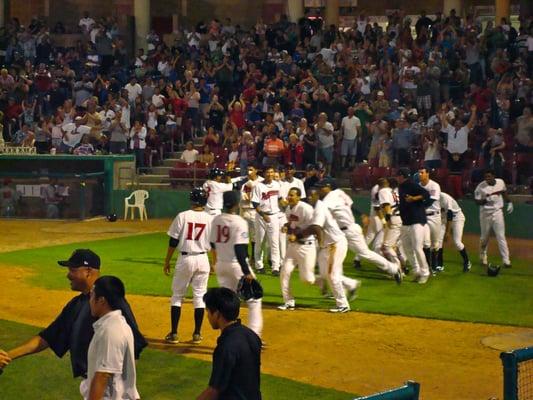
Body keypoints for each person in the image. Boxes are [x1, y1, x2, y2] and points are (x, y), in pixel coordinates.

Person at [0, 249, 146, 382]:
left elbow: (134, 344)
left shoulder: (108, 301)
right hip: (93, 383)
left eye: (73, 270)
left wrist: (123, 385)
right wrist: (8, 356)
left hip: (109, 386)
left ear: (88, 271)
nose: (68, 275)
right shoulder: (76, 305)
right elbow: (46, 338)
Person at [318, 178, 402, 283]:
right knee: (333, 256)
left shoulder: (330, 198)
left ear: (329, 187)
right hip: (342, 231)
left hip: (348, 231)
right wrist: (361, 214)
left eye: (322, 187)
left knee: (364, 253)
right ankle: (343, 285)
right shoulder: (340, 193)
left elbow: (322, 215)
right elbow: (351, 205)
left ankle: (393, 268)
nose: (320, 189)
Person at [294, 187, 358, 313]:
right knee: (324, 274)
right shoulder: (314, 208)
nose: (309, 197)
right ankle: (351, 285)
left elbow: (316, 228)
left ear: (318, 196)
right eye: (308, 195)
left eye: (312, 195)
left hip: (335, 244)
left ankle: (343, 304)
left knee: (332, 275)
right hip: (327, 247)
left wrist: (299, 236)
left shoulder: (320, 207)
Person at [163, 187, 213, 344]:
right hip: (203, 259)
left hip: (185, 259)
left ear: (191, 200)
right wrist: (214, 262)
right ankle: (197, 334)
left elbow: (173, 241)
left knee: (177, 296)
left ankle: (174, 334)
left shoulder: (183, 216)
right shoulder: (211, 218)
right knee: (199, 296)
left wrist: (167, 260)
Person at [210, 191, 263, 337]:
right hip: (236, 266)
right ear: (237, 203)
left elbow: (212, 243)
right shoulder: (239, 222)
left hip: (221, 265)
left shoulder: (217, 219)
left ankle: (226, 335)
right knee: (254, 301)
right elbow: (239, 250)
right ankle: (254, 335)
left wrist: (215, 262)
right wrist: (246, 272)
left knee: (227, 302)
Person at [196, 287, 261, 400]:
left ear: (217, 313)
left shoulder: (226, 346)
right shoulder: (251, 335)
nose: (207, 316)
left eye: (208, 311)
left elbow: (213, 391)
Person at [84, 276, 139, 400]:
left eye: (92, 296)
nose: (90, 301)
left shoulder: (112, 330)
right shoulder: (114, 325)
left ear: (101, 300)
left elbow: (103, 376)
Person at [278, 187, 316, 310]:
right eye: (288, 195)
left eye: (292, 195)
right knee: (284, 272)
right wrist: (285, 227)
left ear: (299, 197)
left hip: (307, 246)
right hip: (292, 247)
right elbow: (292, 224)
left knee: (307, 279)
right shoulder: (289, 209)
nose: (289, 197)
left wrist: (297, 235)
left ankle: (322, 281)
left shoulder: (306, 209)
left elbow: (313, 228)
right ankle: (288, 301)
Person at [397, 168, 431, 284]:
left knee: (417, 247)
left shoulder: (411, 184)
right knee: (407, 248)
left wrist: (414, 198)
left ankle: (425, 272)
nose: (396, 177)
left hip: (417, 220)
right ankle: (416, 271)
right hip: (406, 221)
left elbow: (426, 194)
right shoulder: (401, 187)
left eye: (398, 175)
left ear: (402, 176)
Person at [474, 169, 513, 269]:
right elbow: (477, 202)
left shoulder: (500, 182)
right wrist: (486, 200)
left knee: (501, 236)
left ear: (493, 176)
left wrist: (509, 202)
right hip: (485, 214)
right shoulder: (481, 187)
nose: (487, 179)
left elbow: (504, 192)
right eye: (486, 177)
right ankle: (483, 257)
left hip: (497, 212)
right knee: (484, 237)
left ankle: (506, 260)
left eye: (489, 176)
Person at [251, 166, 282, 275]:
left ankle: (275, 268)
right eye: (268, 172)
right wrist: (263, 215)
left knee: (274, 243)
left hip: (274, 216)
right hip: (261, 216)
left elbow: (280, 199)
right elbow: (255, 203)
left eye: (272, 171)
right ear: (264, 173)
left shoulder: (277, 185)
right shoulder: (258, 186)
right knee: (260, 242)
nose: (270, 174)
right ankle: (259, 266)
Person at [437, 192, 472, 272]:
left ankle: (467, 262)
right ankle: (440, 265)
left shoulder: (445, 198)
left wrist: (448, 232)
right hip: (443, 219)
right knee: (439, 241)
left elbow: (450, 214)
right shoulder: (432, 198)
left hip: (457, 218)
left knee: (457, 242)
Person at [418, 167, 442, 273]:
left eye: (422, 173)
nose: (420, 174)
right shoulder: (418, 186)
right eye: (419, 173)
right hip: (423, 216)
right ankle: (428, 266)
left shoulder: (434, 185)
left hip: (435, 216)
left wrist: (417, 205)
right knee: (425, 242)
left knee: (435, 243)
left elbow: (430, 201)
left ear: (427, 174)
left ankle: (434, 265)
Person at [240, 166, 264, 266]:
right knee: (243, 236)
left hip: (255, 212)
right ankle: (245, 257)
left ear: (256, 170)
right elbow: (244, 198)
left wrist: (253, 188)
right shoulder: (245, 183)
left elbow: (260, 197)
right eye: (248, 169)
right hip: (245, 211)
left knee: (255, 237)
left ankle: (254, 258)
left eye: (251, 169)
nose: (249, 171)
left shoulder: (262, 182)